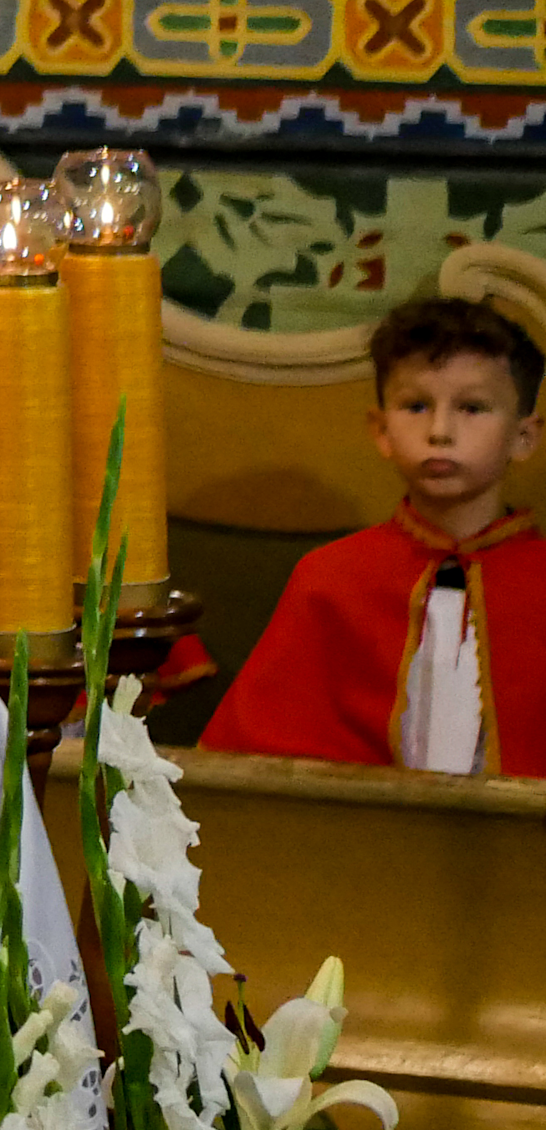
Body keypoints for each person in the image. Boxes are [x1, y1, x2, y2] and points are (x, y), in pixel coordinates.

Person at [203, 295, 546, 772]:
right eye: (416, 406)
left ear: (524, 437)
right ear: (381, 429)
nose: (440, 431)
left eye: (471, 408)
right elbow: (257, 762)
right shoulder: (330, 580)